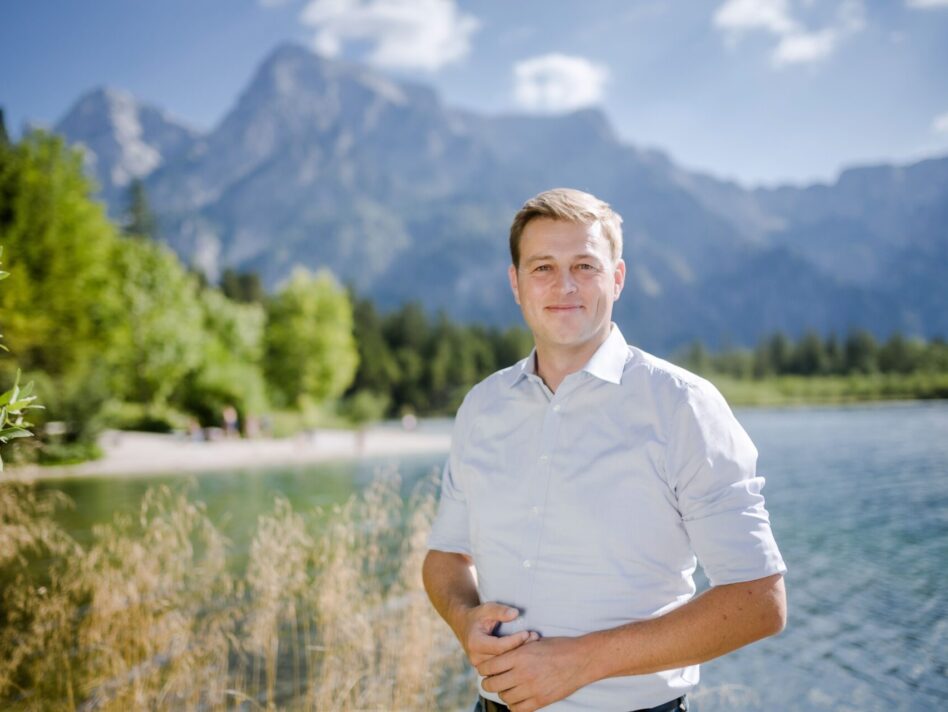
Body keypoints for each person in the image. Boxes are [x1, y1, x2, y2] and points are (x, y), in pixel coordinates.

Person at [423, 188, 787, 712]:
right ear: (516, 283)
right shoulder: (482, 407)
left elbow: (759, 601)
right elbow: (445, 557)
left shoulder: (683, 406)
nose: (564, 285)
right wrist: (463, 618)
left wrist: (583, 661)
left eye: (585, 266)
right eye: (542, 267)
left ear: (617, 278)